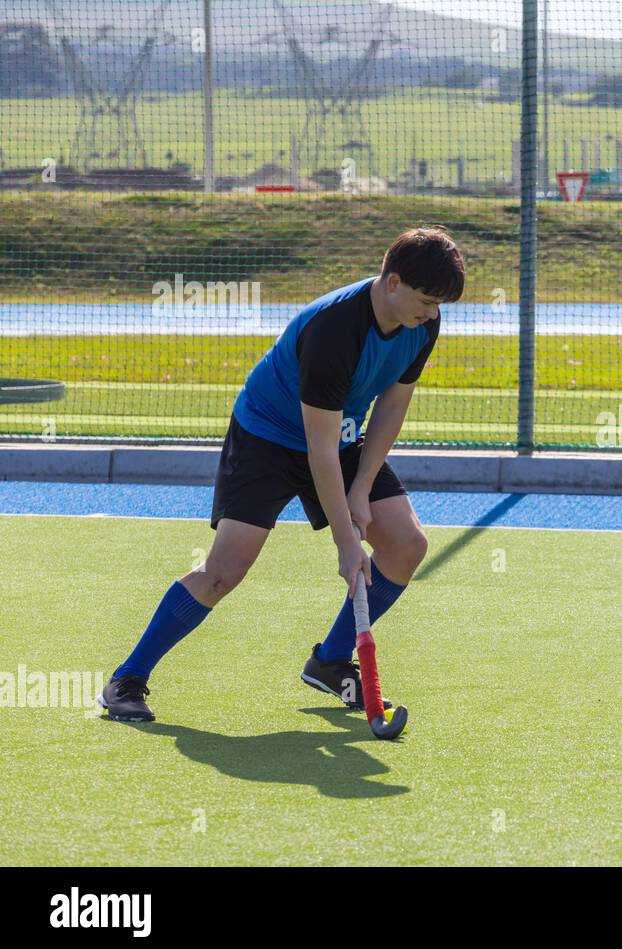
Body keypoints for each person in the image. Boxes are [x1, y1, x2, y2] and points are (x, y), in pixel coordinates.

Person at [98, 226, 464, 720]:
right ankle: (128, 678)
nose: (433, 313)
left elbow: (392, 405)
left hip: (342, 434)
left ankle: (331, 662)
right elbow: (317, 450)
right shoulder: (335, 328)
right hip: (268, 440)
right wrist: (346, 542)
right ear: (393, 281)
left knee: (405, 545)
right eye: (426, 300)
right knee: (223, 573)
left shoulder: (422, 322)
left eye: (440, 305)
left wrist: (361, 490)